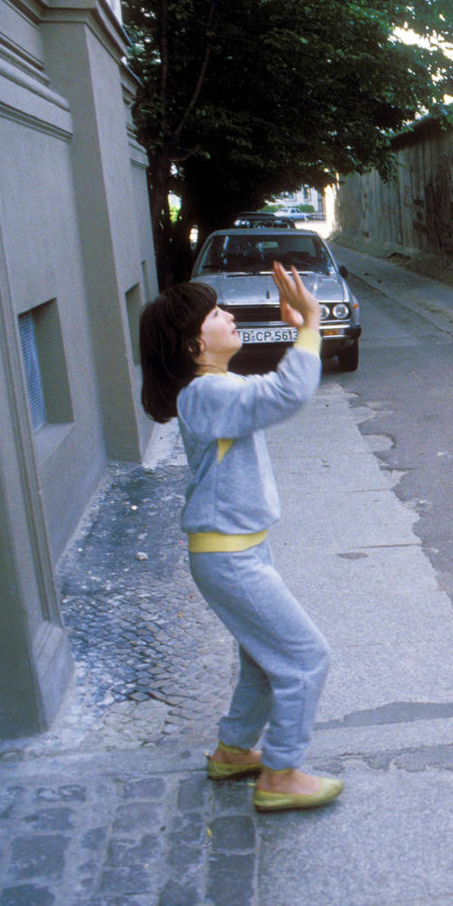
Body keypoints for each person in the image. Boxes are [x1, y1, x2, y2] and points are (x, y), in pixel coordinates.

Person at [139, 265, 342, 810]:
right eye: (215, 313)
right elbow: (285, 394)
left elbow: (268, 392)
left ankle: (233, 751)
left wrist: (301, 327)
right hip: (230, 557)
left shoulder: (212, 391)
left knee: (261, 658)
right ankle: (280, 773)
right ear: (193, 345)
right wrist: (310, 325)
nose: (228, 315)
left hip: (240, 549)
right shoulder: (206, 394)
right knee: (305, 657)